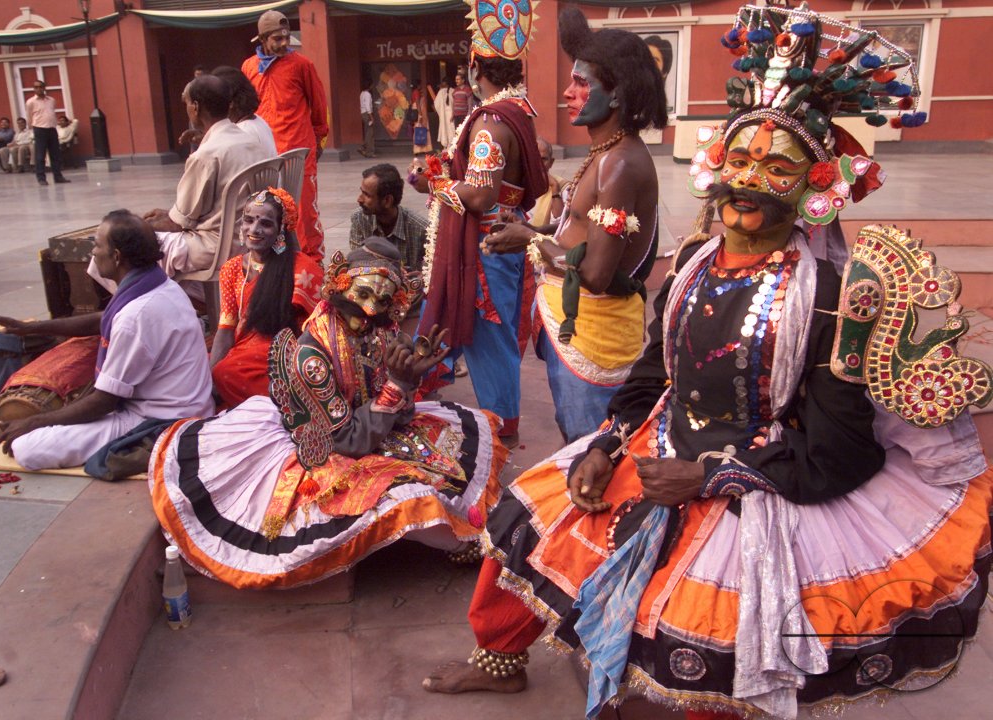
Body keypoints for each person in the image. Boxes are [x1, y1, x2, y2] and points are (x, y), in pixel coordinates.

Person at [423, 6, 993, 720]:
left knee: (716, 657)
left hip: (760, 485)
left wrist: (710, 477)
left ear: (815, 184)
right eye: (741, 159)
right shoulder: (695, 262)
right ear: (715, 164)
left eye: (777, 167)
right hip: (659, 449)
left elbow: (840, 456)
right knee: (523, 521)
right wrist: (606, 442)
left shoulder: (834, 300)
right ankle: (498, 658)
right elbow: (650, 382)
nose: (751, 182)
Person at [148, 237, 508, 588]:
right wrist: (396, 385)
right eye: (363, 294)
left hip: (368, 428)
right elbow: (347, 442)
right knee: (411, 498)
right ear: (338, 285)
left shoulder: (380, 332)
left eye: (381, 300)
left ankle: (474, 529)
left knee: (454, 447)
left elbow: (398, 414)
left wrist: (408, 380)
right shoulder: (311, 355)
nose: (369, 309)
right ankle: (471, 543)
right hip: (326, 446)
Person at [483, 10, 667, 442]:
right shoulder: (608, 152)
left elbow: (599, 275)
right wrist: (539, 230)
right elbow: (582, 234)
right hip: (576, 330)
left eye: (582, 83)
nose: (568, 92)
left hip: (594, 339)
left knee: (590, 449)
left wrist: (529, 240)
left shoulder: (619, 164)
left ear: (617, 95)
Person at [0, 211, 214, 471]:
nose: (93, 253)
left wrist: (34, 422)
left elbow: (103, 402)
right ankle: (20, 425)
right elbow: (102, 320)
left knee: (28, 447)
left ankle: (11, 429)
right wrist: (29, 329)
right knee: (65, 413)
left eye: (97, 245)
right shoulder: (158, 286)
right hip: (188, 405)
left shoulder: (136, 316)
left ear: (117, 257)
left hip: (160, 420)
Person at [408, 1, 548, 445]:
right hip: (503, 236)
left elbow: (481, 194)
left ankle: (498, 428)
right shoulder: (519, 108)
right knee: (498, 335)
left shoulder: (489, 122)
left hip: (486, 243)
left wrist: (434, 185)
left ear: (474, 66)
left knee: (491, 339)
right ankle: (500, 420)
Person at [91, 75, 265, 296]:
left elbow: (178, 222)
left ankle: (133, 304)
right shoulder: (250, 141)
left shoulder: (207, 154)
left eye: (187, 103)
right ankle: (193, 303)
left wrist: (142, 225)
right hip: (249, 239)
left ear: (195, 107)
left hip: (215, 247)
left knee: (123, 246)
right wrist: (167, 215)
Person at [211, 187, 322, 409]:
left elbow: (315, 332)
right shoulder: (231, 269)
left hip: (285, 351)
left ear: (282, 229)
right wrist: (210, 376)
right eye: (248, 220)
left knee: (229, 373)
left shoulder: (303, 269)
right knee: (210, 371)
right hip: (244, 348)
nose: (254, 229)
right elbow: (226, 328)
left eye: (265, 223)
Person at [243, 9, 329, 263]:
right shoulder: (249, 67)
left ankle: (311, 263)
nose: (283, 44)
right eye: (277, 39)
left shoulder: (302, 65)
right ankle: (273, 259)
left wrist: (318, 140)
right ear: (262, 39)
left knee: (304, 212)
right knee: (265, 208)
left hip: (298, 151)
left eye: (286, 38)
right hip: (265, 154)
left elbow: (319, 105)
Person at [349, 163, 427, 273]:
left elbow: (430, 274)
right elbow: (356, 264)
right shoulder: (359, 219)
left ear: (387, 201)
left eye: (367, 195)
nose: (359, 199)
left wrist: (420, 278)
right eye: (361, 192)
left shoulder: (421, 229)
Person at [25, 80, 69, 186]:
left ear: (44, 88)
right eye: (36, 87)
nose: (38, 89)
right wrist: (32, 129)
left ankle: (58, 176)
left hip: (52, 128)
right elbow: (29, 117)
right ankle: (41, 178)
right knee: (40, 155)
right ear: (34, 89)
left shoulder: (51, 100)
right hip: (40, 129)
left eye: (40, 87)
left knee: (55, 154)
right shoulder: (31, 102)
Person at [526, 137, 568, 227]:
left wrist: (555, 189)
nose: (538, 164)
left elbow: (560, 224)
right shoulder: (517, 184)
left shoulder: (563, 186)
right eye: (534, 158)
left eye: (543, 159)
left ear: (551, 162)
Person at [431, 78, 455, 150]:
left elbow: (436, 104)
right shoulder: (453, 91)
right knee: (452, 129)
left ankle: (446, 146)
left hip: (444, 114)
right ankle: (452, 146)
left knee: (445, 129)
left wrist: (440, 112)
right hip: (452, 113)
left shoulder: (440, 92)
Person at [359, 83, 375, 158]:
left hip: (363, 113)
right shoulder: (368, 94)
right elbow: (368, 106)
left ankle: (365, 148)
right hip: (367, 114)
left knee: (368, 132)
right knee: (370, 133)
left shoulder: (362, 93)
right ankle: (368, 150)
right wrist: (371, 116)